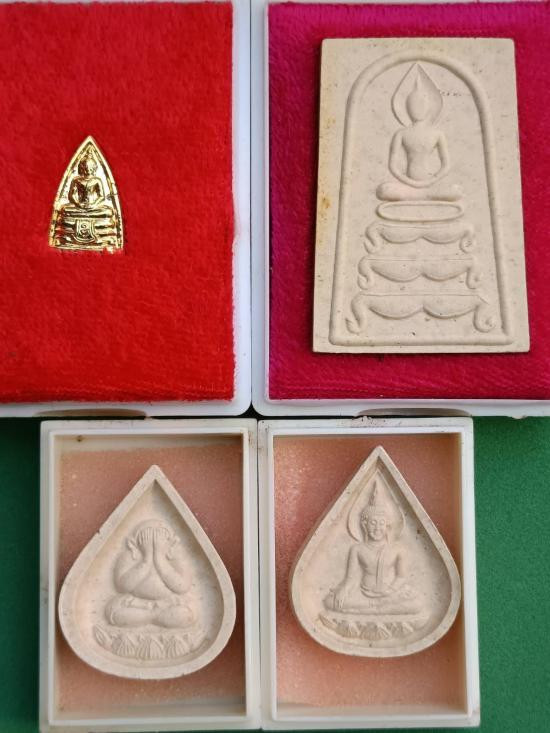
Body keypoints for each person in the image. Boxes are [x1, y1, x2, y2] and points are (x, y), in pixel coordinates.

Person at [326, 485, 424, 615]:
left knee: (417, 604)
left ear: (387, 525)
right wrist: (343, 590)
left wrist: (390, 591)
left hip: (390, 594)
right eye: (373, 523)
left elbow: (401, 576)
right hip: (363, 593)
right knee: (330, 601)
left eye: (381, 523)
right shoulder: (357, 549)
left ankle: (369, 609)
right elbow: (351, 578)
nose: (377, 528)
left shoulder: (398, 550)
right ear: (364, 525)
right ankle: (376, 608)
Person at [105, 520, 196, 629]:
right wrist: (147, 559)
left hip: (168, 603)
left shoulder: (175, 557)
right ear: (133, 544)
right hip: (136, 603)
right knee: (114, 612)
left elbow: (182, 587)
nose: (154, 543)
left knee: (188, 612)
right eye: (146, 538)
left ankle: (148, 617)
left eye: (160, 538)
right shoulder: (129, 556)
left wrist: (159, 558)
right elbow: (122, 587)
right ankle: (155, 617)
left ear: (171, 543)